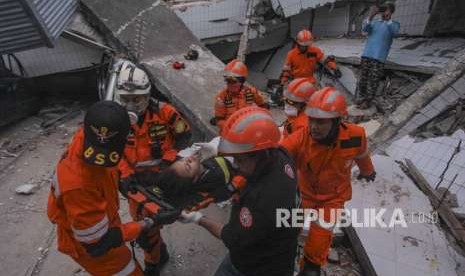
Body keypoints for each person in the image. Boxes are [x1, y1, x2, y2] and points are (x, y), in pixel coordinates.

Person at [47, 101, 180, 276]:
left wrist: (124, 176)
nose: (102, 160)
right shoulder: (78, 185)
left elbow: (110, 165)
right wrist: (149, 223)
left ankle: (157, 254)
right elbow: (98, 243)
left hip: (99, 219)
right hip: (92, 248)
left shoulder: (89, 134)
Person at [181, 106, 300, 276]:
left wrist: (198, 219)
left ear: (262, 154)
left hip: (256, 267)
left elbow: (232, 238)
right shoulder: (281, 156)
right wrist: (219, 150)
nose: (236, 164)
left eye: (239, 159)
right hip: (282, 250)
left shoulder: (263, 200)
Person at [280, 87, 376, 276]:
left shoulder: (355, 136)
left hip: (333, 197)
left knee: (320, 239)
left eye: (321, 121)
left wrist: (368, 171)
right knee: (287, 231)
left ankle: (310, 266)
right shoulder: (301, 138)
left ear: (337, 121)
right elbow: (277, 157)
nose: (314, 126)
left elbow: (362, 154)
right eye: (311, 119)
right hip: (304, 193)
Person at [113, 60, 191, 275]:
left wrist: (170, 157)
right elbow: (113, 150)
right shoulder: (116, 118)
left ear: (147, 96)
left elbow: (184, 135)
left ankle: (156, 257)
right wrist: (125, 173)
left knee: (154, 223)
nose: (130, 105)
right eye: (125, 99)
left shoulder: (164, 112)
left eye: (136, 99)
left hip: (161, 177)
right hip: (135, 182)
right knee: (145, 227)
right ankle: (155, 257)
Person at [357, 2, 400, 109]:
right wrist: (371, 15)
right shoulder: (375, 22)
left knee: (373, 80)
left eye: (386, 10)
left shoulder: (394, 24)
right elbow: (365, 29)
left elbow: (394, 33)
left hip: (379, 58)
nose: (384, 12)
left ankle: (367, 101)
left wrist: (388, 18)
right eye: (383, 10)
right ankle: (361, 98)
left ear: (391, 11)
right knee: (363, 78)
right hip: (367, 55)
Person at [211, 59, 268, 131]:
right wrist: (229, 128)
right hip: (230, 132)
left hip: (249, 128)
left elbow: (263, 106)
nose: (230, 84)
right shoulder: (221, 98)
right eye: (227, 80)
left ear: (242, 81)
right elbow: (219, 120)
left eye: (233, 81)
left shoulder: (251, 92)